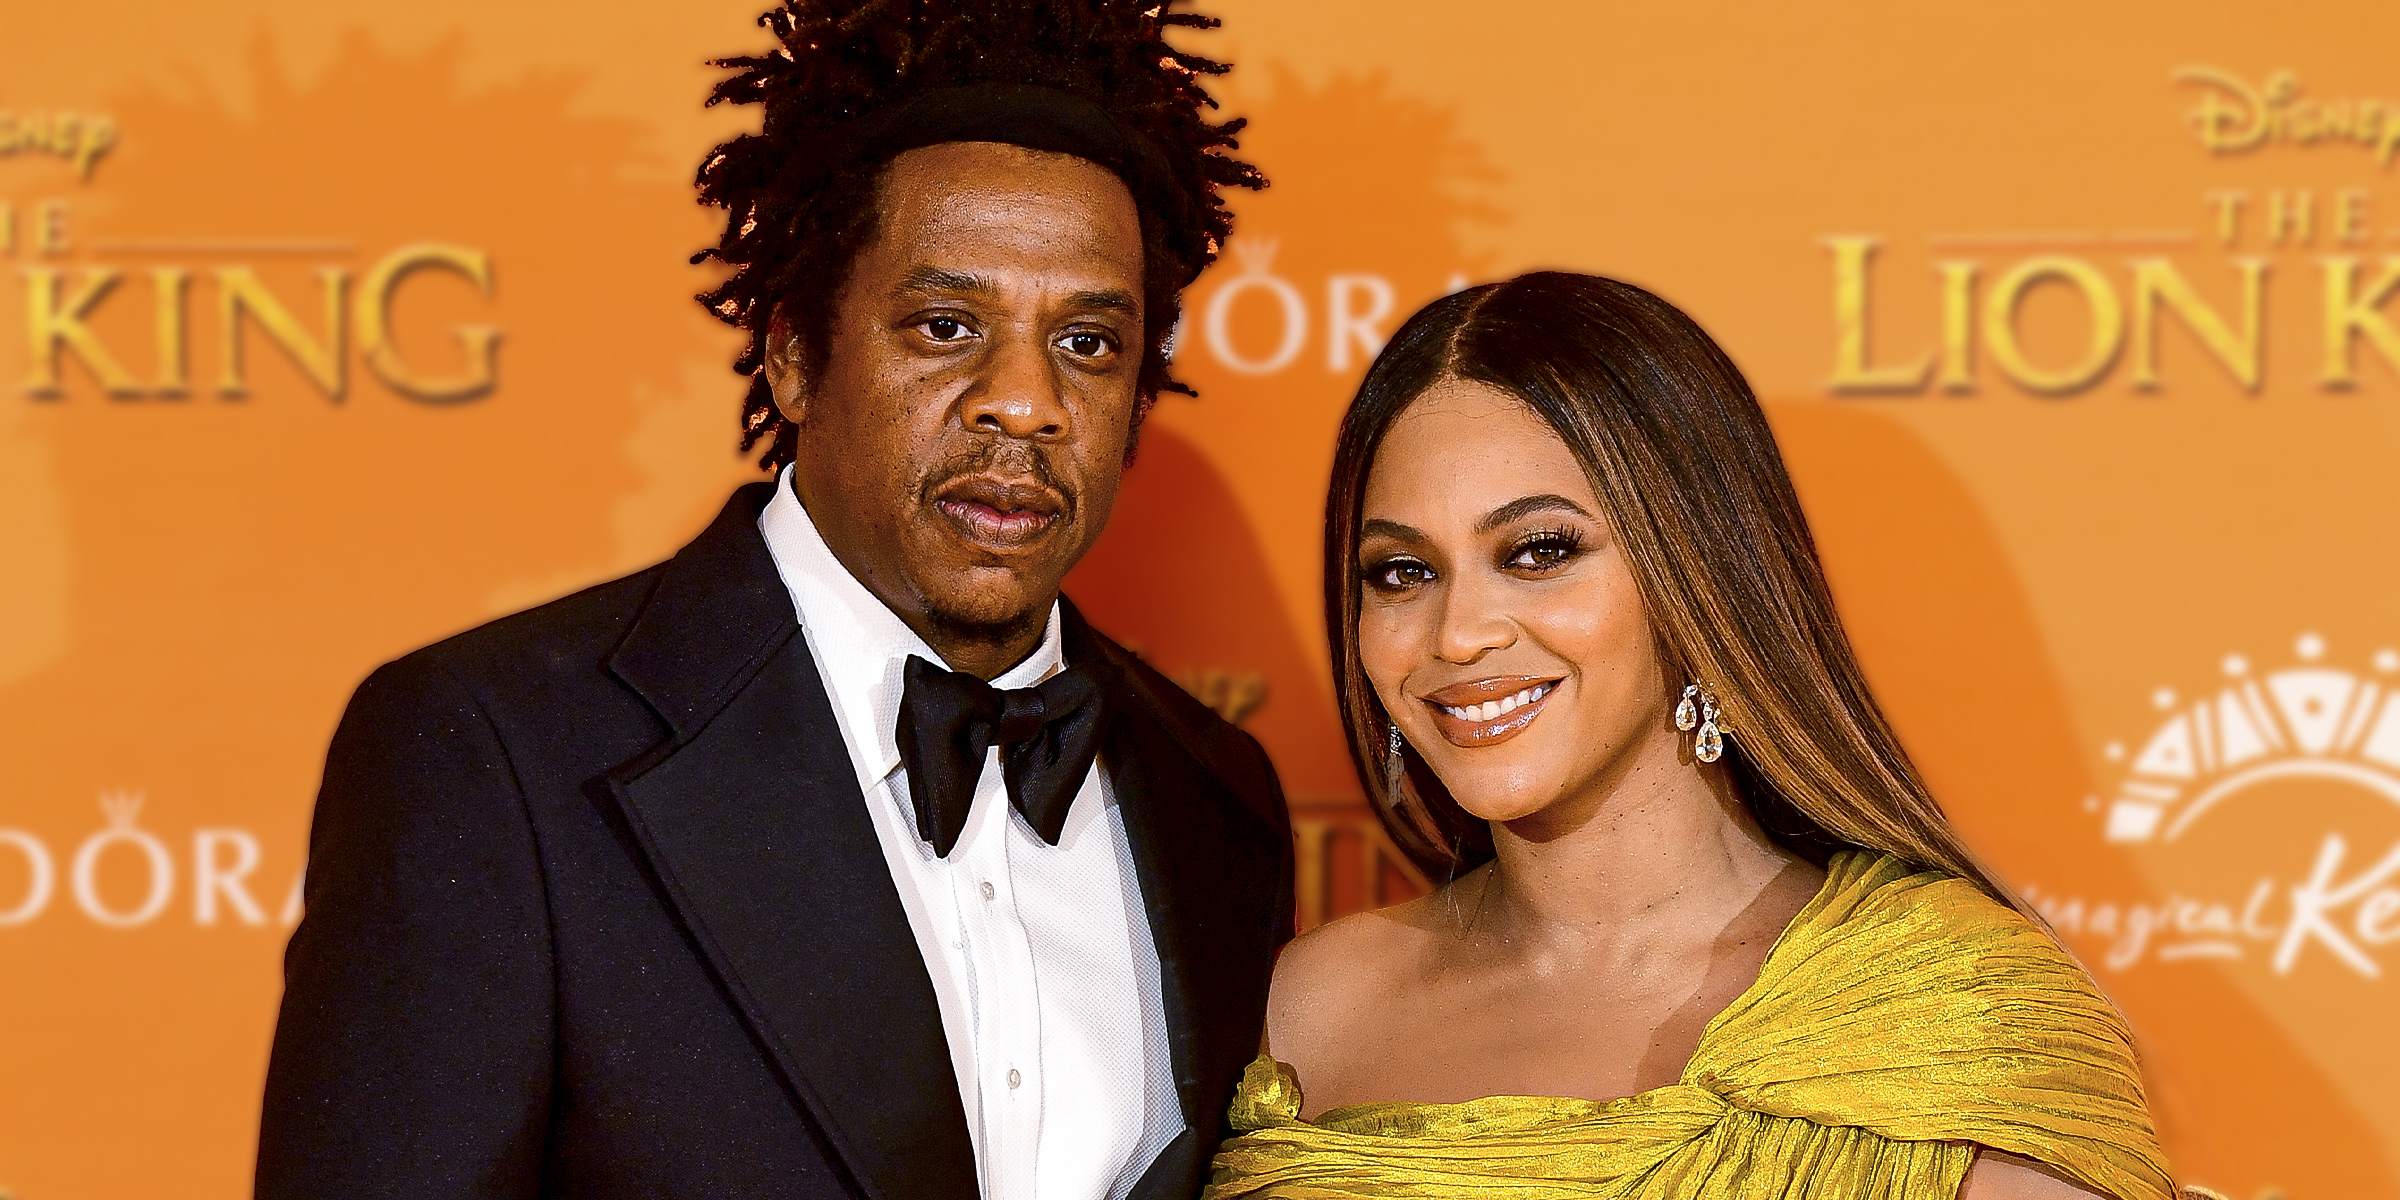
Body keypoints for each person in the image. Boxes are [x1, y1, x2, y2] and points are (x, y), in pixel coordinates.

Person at [255, 3, 1292, 1199]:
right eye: (947, 326)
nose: (1025, 401)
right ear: (794, 352)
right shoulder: (489, 755)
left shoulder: (1220, 803)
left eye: (1090, 343)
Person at [1204, 273, 2177, 1200]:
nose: (1459, 634)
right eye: (1402, 572)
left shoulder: (1948, 1015)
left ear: (1699, 580)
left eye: (1540, 552)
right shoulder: (1303, 1009)